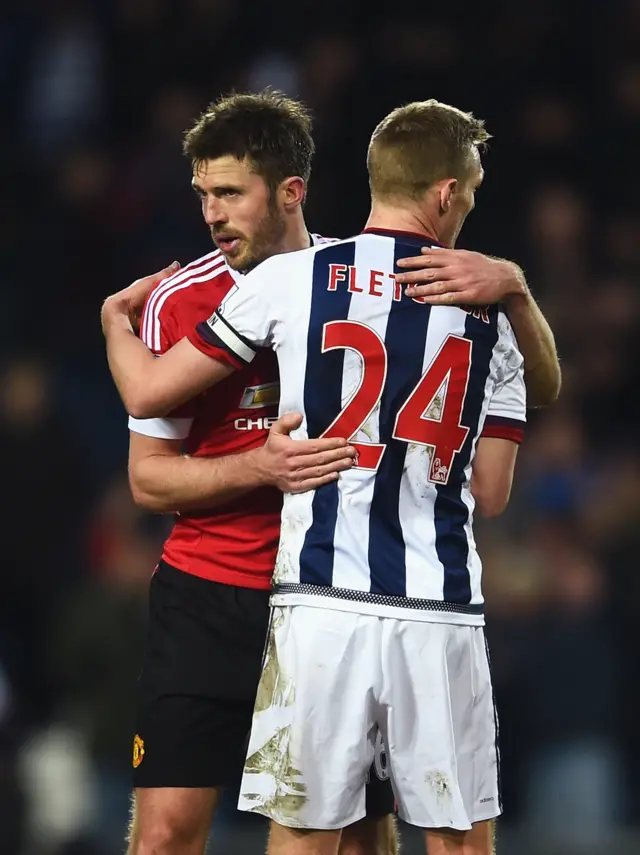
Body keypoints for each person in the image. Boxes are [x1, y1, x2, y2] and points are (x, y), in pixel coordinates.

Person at [102, 95, 559, 855]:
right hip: (301, 596)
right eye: (202, 195)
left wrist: (111, 327)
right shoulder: (478, 307)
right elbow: (147, 481)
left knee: (336, 839)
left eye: (229, 194)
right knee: (173, 836)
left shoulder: (306, 281)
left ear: (290, 191)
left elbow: (146, 388)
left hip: (318, 602)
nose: (212, 214)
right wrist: (513, 284)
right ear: (448, 193)